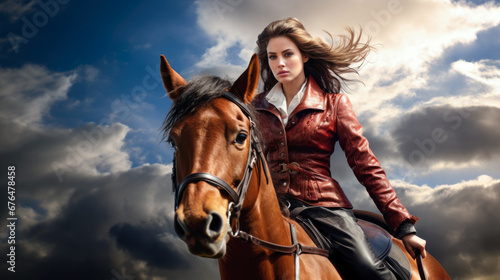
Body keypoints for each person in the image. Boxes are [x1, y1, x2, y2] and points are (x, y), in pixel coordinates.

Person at [253, 17, 427, 279]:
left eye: (288, 54)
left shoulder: (334, 104)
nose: (280, 63)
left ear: (305, 55)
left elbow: (365, 163)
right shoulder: (254, 107)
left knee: (368, 268)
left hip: (324, 206)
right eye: (272, 57)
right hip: (269, 204)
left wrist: (403, 226)